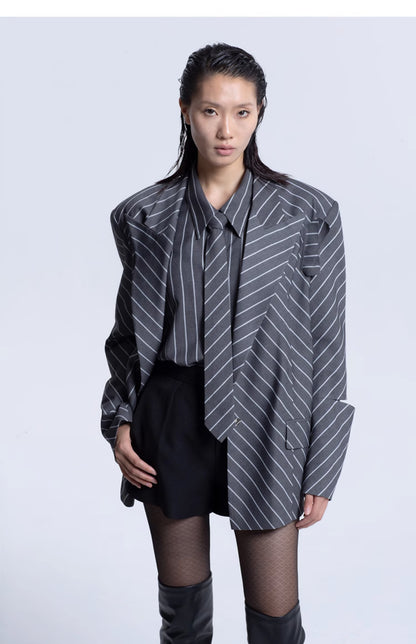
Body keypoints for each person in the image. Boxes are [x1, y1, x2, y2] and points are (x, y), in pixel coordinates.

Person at [100, 42, 355, 644]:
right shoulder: (143, 217)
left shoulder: (307, 214)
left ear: (260, 113)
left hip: (268, 415)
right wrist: (119, 421)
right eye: (211, 111)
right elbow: (128, 338)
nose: (226, 129)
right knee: (182, 619)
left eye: (242, 113)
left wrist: (323, 461)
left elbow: (326, 343)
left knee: (276, 622)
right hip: (171, 417)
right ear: (185, 110)